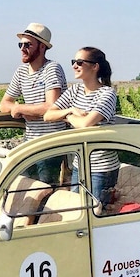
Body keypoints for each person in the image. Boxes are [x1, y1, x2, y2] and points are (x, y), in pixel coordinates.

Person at [44, 47, 119, 205]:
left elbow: (85, 124)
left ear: (94, 66)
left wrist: (66, 117)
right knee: (76, 209)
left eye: (79, 62)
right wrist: (71, 111)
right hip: (79, 163)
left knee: (95, 214)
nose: (74, 66)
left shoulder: (107, 93)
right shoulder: (75, 90)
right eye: (73, 62)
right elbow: (48, 115)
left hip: (101, 168)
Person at [0, 22, 67, 183]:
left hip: (50, 145)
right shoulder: (21, 71)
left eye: (28, 44)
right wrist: (22, 110)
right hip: (30, 141)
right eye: (20, 44)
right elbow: (4, 104)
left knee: (43, 189)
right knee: (22, 184)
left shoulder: (52, 69)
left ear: (42, 47)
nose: (22, 48)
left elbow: (51, 107)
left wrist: (21, 108)